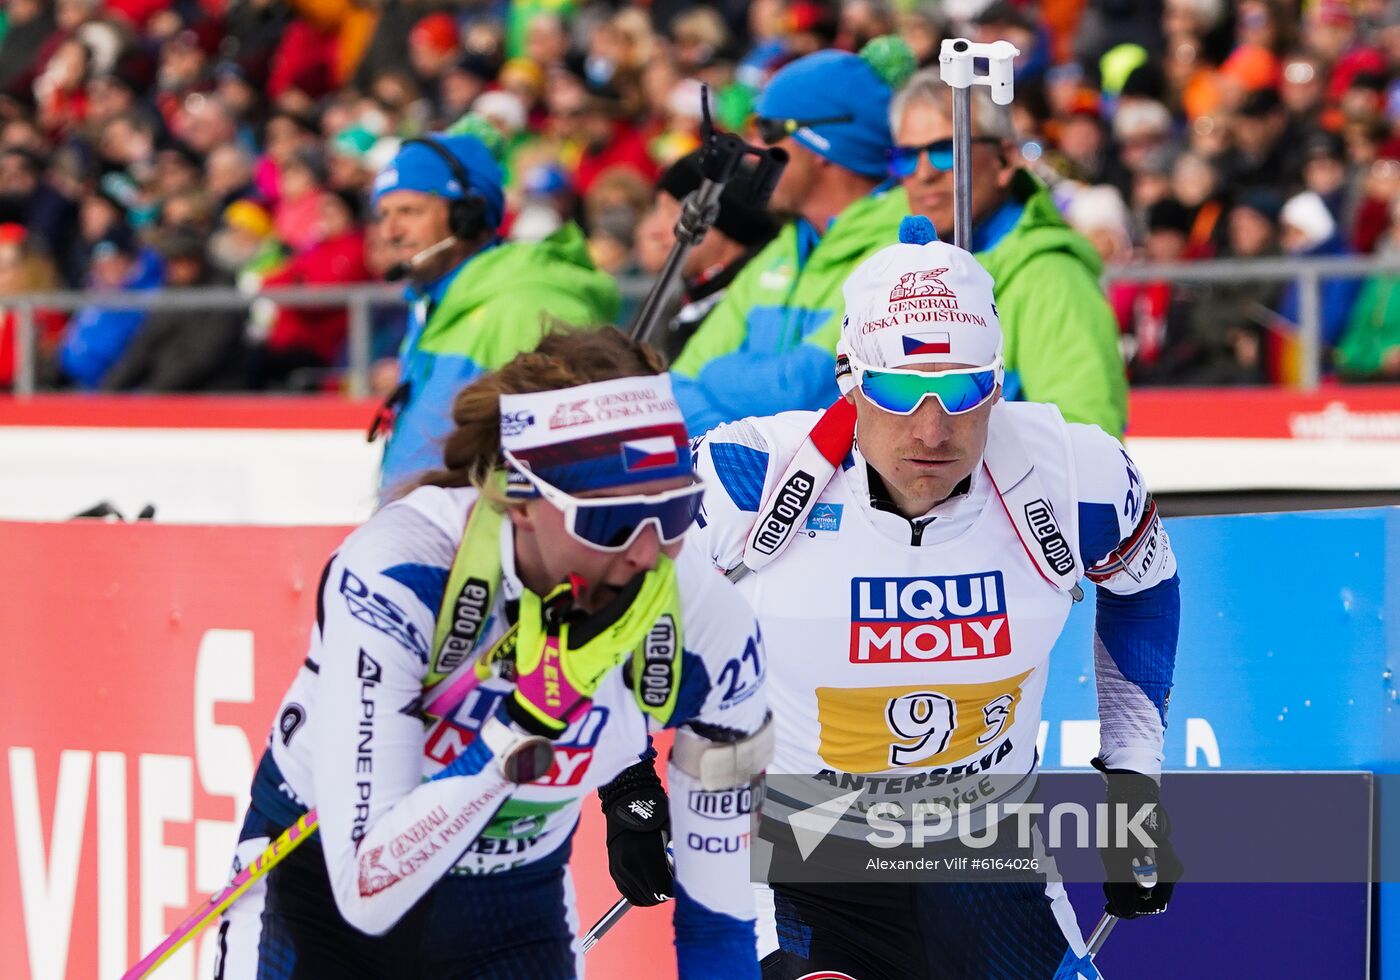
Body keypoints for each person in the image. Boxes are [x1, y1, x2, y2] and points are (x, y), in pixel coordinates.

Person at [689, 218, 1181, 979]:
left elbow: (1145, 589)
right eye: (897, 390)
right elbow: (625, 601)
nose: (932, 427)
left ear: (997, 380)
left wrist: (1132, 783)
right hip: (803, 855)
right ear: (849, 377)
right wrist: (631, 786)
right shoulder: (750, 476)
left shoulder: (1074, 474)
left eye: (962, 389)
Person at [216, 328, 772, 978]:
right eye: (608, 522)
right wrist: (524, 725)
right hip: (325, 893)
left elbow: (720, 917)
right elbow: (368, 890)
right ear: (522, 501)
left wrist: (627, 778)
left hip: (511, 904)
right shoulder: (404, 571)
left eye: (675, 512)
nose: (648, 554)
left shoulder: (710, 624)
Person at [668, 36, 916, 435]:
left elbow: (796, 391)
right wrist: (735, 450)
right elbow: (678, 384)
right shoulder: (783, 248)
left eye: (768, 128)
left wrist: (721, 389)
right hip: (743, 483)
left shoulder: (901, 255)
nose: (755, 146)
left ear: (821, 145)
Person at [371, 132, 620, 498]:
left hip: (475, 544)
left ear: (466, 217)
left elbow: (572, 469)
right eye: (384, 214)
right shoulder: (436, 305)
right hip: (422, 537)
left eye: (409, 211)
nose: (390, 232)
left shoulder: (527, 306)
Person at [890, 68, 1128, 438]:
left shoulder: (1050, 274)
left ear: (1004, 160)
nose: (922, 173)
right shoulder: (903, 267)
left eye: (944, 150)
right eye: (906, 155)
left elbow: (1085, 440)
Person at [634, 149, 779, 363]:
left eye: (674, 212)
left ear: (721, 223)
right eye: (656, 210)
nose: (653, 230)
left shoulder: (750, 312)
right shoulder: (678, 302)